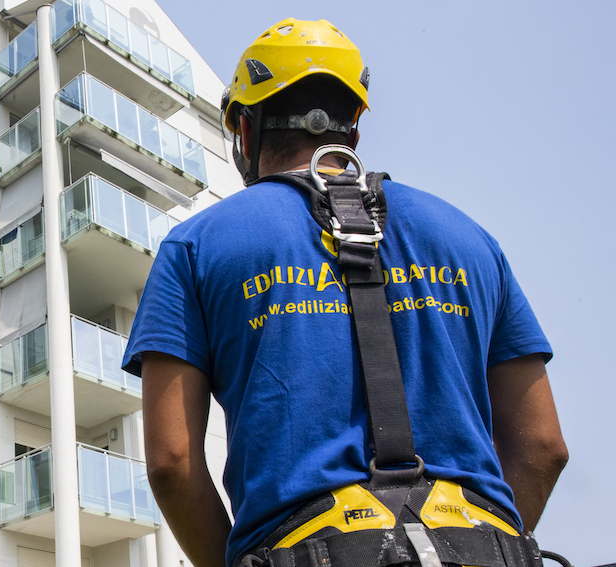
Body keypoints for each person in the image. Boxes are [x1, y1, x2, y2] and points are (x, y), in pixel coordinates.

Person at [122, 18, 568, 567]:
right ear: (352, 131)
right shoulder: (470, 239)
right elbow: (544, 447)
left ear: (243, 130)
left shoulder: (196, 245)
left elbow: (172, 460)